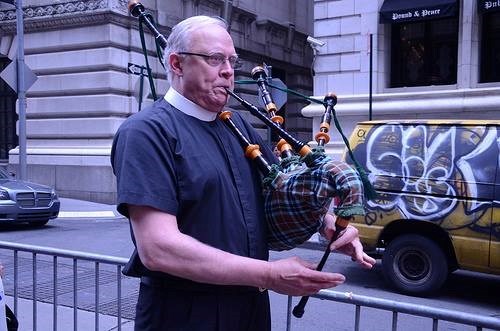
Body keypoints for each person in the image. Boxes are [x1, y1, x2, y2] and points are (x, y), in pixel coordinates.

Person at [111, 15, 375, 331]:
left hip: (249, 309)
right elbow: (158, 249)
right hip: (182, 315)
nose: (228, 71)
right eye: (214, 59)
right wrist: (269, 274)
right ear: (177, 65)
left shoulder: (237, 124)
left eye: (232, 61)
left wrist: (328, 224)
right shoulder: (146, 132)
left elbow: (278, 191)